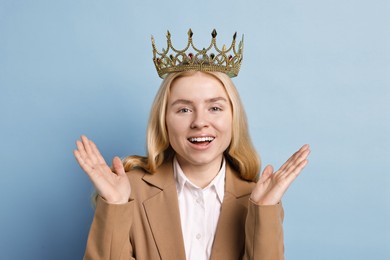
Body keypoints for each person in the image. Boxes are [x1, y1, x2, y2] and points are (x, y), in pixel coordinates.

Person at [74, 29, 310, 260]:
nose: (200, 122)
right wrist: (115, 207)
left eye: (215, 108)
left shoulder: (256, 198)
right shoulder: (130, 192)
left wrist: (264, 213)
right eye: (184, 109)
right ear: (164, 120)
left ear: (233, 118)